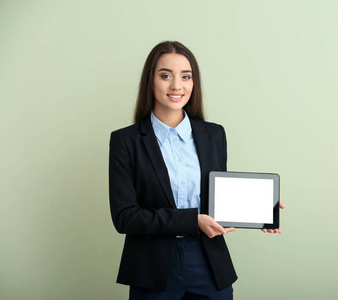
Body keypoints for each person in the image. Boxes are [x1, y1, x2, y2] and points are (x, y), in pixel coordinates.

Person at [109, 41, 282, 300]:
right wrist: (192, 221)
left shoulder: (214, 135)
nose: (176, 86)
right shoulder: (126, 141)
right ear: (150, 81)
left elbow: (216, 198)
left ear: (194, 83)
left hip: (209, 263)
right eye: (165, 75)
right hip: (152, 268)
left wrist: (258, 209)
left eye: (186, 77)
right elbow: (125, 217)